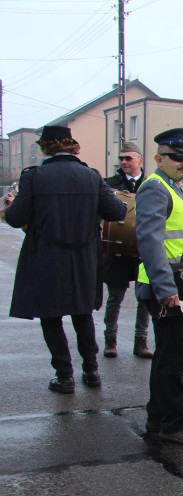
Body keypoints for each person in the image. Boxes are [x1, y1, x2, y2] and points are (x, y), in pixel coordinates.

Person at [5, 125, 127, 393]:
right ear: (72, 146)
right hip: (84, 257)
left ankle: (65, 376)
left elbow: (15, 218)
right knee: (82, 314)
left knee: (51, 317)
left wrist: (9, 204)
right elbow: (117, 210)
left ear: (45, 147)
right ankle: (92, 372)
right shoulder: (91, 176)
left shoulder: (34, 176)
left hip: (46, 257)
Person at [135, 128, 183, 445]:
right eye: (177, 156)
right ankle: (173, 423)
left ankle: (159, 416)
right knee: (172, 358)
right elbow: (150, 243)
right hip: (168, 286)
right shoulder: (155, 188)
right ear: (159, 158)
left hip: (181, 283)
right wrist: (166, 289)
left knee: (167, 353)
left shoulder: (174, 188)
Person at [102, 141, 152, 359]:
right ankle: (110, 341)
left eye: (128, 158)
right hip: (117, 253)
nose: (123, 162)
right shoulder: (109, 184)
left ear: (140, 160)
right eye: (121, 158)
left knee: (144, 299)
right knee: (115, 298)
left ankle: (141, 342)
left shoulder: (152, 184)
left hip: (144, 251)